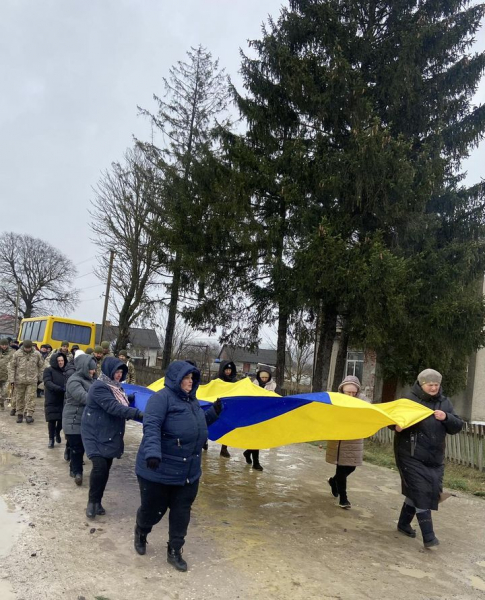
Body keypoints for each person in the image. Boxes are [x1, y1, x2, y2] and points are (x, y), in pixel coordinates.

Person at [134, 360, 222, 572]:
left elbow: (195, 427)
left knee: (181, 513)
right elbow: (152, 426)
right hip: (158, 469)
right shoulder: (161, 399)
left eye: (192, 378)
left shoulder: (192, 402)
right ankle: (141, 531)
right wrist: (153, 452)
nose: (190, 382)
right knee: (153, 510)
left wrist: (213, 413)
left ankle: (175, 550)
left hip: (188, 472)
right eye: (186, 378)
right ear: (175, 379)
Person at [393, 368, 463, 548]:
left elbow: (457, 426)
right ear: (421, 384)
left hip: (434, 457)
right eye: (430, 385)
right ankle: (429, 537)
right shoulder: (408, 400)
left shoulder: (444, 402)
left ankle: (403, 523)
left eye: (436, 385)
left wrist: (446, 417)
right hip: (410, 454)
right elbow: (392, 420)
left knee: (422, 490)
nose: (433, 388)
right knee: (421, 491)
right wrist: (396, 426)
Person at [81, 357, 143, 519]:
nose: (118, 375)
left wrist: (131, 399)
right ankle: (92, 502)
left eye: (121, 372)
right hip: (95, 433)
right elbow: (113, 406)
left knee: (106, 468)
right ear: (109, 371)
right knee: (99, 467)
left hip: (109, 433)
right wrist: (138, 414)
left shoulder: (116, 388)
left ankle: (98, 501)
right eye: (116, 372)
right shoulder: (99, 387)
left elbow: (119, 400)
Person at [326, 375, 370, 509]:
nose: (351, 395)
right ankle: (343, 499)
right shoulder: (336, 400)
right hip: (340, 438)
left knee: (352, 466)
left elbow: (369, 413)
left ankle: (334, 482)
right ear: (342, 390)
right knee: (341, 467)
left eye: (353, 392)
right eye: (348, 392)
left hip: (355, 438)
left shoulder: (363, 401)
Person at [63, 353, 97, 486]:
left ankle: (74, 467)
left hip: (86, 420)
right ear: (83, 368)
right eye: (90, 369)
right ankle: (78, 473)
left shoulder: (92, 380)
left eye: (94, 369)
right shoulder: (74, 381)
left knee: (81, 447)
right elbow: (85, 398)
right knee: (77, 447)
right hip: (73, 419)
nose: (93, 372)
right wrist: (103, 400)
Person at [243, 369, 281, 471]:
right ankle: (256, 462)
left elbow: (279, 400)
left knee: (261, 438)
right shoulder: (253, 385)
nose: (264, 379)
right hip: (254, 415)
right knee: (256, 438)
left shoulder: (274, 386)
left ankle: (248, 452)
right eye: (262, 377)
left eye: (266, 377)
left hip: (267, 415)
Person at [8, 340, 44, 423]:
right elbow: (11, 367)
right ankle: (19, 413)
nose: (27, 349)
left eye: (29, 348)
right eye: (26, 348)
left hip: (32, 380)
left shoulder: (37, 354)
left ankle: (29, 414)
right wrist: (11, 379)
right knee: (19, 397)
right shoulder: (17, 354)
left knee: (31, 398)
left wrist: (40, 378)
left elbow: (42, 366)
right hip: (19, 380)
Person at [212, 360, 237, 457]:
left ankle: (224, 448)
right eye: (226, 369)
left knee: (227, 427)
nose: (228, 372)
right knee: (209, 423)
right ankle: (203, 442)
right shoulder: (216, 379)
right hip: (215, 406)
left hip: (227, 408)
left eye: (230, 370)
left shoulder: (234, 381)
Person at [43, 352, 67, 448]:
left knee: (61, 420)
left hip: (63, 399)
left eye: (62, 360)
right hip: (52, 398)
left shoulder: (66, 371)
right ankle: (51, 439)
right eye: (59, 361)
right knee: (52, 420)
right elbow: (47, 382)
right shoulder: (48, 370)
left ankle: (57, 432)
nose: (61, 362)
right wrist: (58, 388)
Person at [0, 338, 14, 411]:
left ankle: (1, 402)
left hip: (7, 375)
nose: (4, 346)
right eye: (2, 345)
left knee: (5, 392)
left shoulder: (12, 352)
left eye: (5, 345)